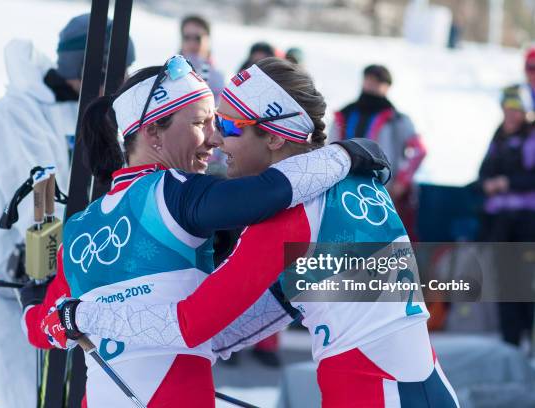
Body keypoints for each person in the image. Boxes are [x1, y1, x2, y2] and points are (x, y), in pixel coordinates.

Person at [51, 58, 459, 407]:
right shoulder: (358, 181)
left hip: (370, 392)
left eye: (230, 126)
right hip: (426, 386)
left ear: (276, 136)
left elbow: (191, 323)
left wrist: (82, 315)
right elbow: (278, 305)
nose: (219, 141)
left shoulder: (291, 213)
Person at [0, 14, 135, 408]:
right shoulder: (14, 114)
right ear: (96, 66)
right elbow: (38, 203)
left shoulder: (95, 113)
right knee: (31, 401)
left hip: (67, 289)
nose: (124, 82)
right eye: (120, 71)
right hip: (9, 295)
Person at [331, 64, 427, 239]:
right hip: (344, 186)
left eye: (378, 82)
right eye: (369, 80)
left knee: (382, 240)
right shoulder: (345, 113)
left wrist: (402, 181)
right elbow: (330, 147)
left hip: (382, 190)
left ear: (387, 86)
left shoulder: (397, 119)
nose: (372, 85)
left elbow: (419, 151)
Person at [479, 86, 535, 348]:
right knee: (506, 280)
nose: (510, 115)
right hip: (500, 220)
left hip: (525, 220)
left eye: (516, 110)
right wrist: (488, 184)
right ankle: (510, 340)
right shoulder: (499, 136)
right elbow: (483, 172)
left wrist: (506, 182)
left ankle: (526, 336)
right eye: (507, 109)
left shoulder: (530, 137)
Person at [179, 15, 224, 102]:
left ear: (207, 39)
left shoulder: (217, 76)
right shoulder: (168, 73)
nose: (192, 43)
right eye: (187, 37)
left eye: (197, 38)